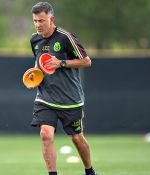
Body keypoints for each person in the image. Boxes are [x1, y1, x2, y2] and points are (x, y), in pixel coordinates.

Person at [29, 2, 97, 175]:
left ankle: (90, 171)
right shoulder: (34, 40)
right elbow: (39, 63)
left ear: (51, 19)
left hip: (70, 99)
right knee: (45, 134)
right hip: (46, 97)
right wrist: (34, 76)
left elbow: (87, 61)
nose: (38, 25)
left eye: (41, 21)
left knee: (77, 138)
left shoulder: (65, 37)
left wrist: (62, 63)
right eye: (35, 21)